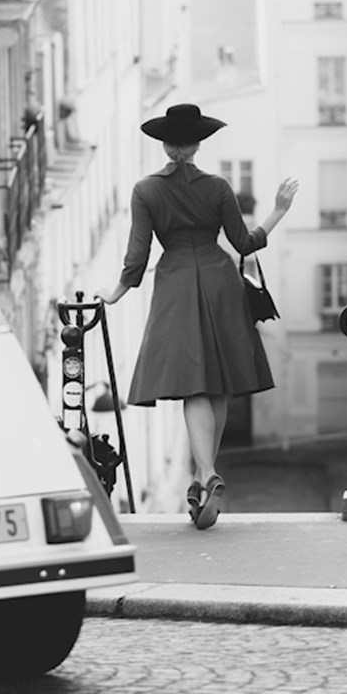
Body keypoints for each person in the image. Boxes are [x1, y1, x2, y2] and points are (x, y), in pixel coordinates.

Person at [98, 103, 298, 530]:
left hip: (174, 284)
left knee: (193, 383)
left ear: (166, 145)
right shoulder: (219, 187)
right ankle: (203, 472)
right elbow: (243, 243)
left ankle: (205, 472)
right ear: (198, 144)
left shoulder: (145, 191)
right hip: (220, 279)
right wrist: (279, 210)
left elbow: (138, 255)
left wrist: (116, 292)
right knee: (218, 382)